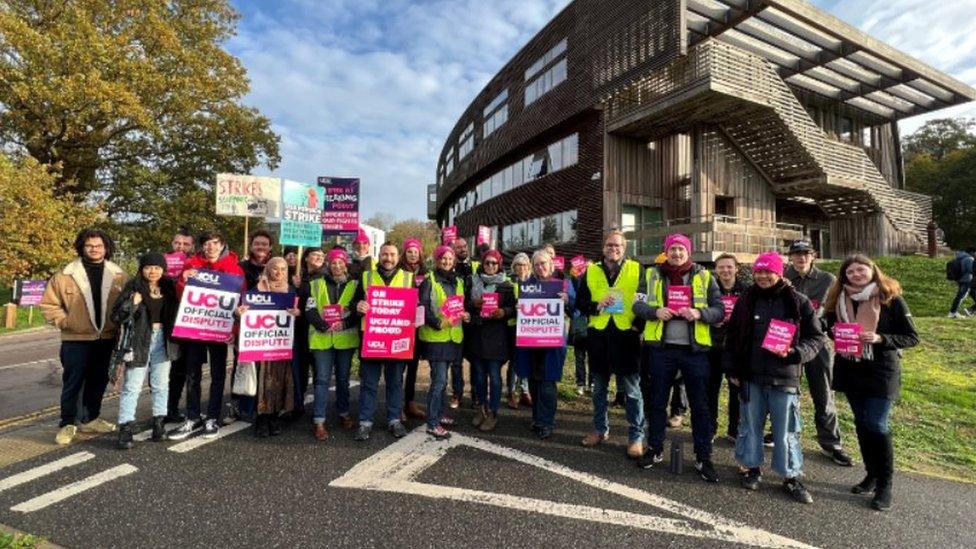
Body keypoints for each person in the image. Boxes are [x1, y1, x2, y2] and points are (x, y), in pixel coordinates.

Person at [723, 252, 825, 504]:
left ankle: (790, 476)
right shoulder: (746, 301)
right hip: (751, 376)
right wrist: (732, 371)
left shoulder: (798, 302)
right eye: (758, 271)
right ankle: (751, 468)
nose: (762, 276)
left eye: (768, 271)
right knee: (750, 426)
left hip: (784, 376)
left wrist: (795, 353)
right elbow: (733, 338)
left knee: (786, 430)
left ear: (779, 273)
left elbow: (816, 338)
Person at [824, 254, 918, 511]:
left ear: (872, 270)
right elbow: (828, 326)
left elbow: (911, 337)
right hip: (851, 369)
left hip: (881, 371)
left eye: (861, 270)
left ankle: (885, 484)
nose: (856, 274)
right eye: (850, 271)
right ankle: (871, 474)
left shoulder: (890, 298)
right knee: (861, 424)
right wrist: (832, 330)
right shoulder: (838, 300)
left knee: (876, 423)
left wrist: (880, 339)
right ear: (844, 276)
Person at [632, 234, 724, 483]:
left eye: (681, 249)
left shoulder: (705, 276)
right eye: (672, 249)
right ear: (666, 251)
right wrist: (654, 311)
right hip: (661, 349)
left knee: (700, 406)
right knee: (657, 401)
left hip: (694, 352)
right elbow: (637, 306)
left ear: (688, 252)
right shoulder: (651, 275)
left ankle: (703, 456)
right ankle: (655, 449)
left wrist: (699, 312)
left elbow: (719, 311)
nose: (676, 253)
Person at [41, 228, 128, 445]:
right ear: (82, 247)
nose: (94, 249)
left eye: (99, 246)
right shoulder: (64, 276)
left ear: (106, 247)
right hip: (75, 339)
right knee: (73, 383)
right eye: (90, 246)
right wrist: (66, 322)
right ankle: (67, 423)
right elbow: (49, 304)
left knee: (98, 381)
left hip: (106, 338)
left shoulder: (119, 275)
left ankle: (90, 419)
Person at [168, 230, 245, 440]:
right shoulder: (191, 265)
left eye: (215, 243)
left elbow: (240, 304)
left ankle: (212, 417)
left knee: (218, 376)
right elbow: (181, 296)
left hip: (219, 331)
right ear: (202, 246)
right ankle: (193, 417)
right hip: (194, 330)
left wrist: (234, 331)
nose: (210, 247)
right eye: (207, 243)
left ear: (222, 245)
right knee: (192, 375)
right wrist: (184, 280)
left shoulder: (234, 270)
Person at [576, 231, 645, 459]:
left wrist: (638, 327)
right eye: (609, 245)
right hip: (599, 337)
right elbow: (580, 302)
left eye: (617, 245)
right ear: (603, 247)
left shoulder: (637, 269)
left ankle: (636, 436)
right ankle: (600, 429)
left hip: (626, 337)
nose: (613, 248)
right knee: (599, 390)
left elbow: (647, 300)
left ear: (624, 248)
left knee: (633, 392)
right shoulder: (591, 270)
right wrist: (596, 305)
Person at [784, 239, 852, 466]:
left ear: (813, 256)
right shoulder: (783, 276)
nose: (801, 258)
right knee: (785, 390)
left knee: (823, 393)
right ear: (790, 257)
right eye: (796, 254)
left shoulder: (827, 279)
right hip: (789, 340)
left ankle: (830, 442)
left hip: (817, 342)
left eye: (805, 254)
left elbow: (834, 310)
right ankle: (780, 432)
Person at [112, 251, 181, 449]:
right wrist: (131, 304)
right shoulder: (133, 287)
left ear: (163, 270)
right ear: (142, 269)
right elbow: (116, 316)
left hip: (163, 340)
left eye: (157, 267)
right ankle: (125, 427)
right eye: (148, 267)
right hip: (139, 341)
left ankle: (159, 424)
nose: (153, 271)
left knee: (161, 384)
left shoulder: (168, 287)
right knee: (132, 385)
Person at [352, 242, 411, 441]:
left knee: (395, 382)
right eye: (385, 254)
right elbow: (354, 303)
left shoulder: (408, 278)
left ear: (398, 256)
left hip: (397, 339)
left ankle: (394, 420)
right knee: (369, 383)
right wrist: (358, 306)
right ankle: (365, 422)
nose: (388, 258)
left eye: (392, 255)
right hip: (372, 339)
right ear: (379, 255)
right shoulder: (366, 276)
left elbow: (417, 306)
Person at [513, 250, 574, 439]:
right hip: (531, 342)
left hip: (553, 342)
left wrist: (568, 300)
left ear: (551, 263)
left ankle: (546, 422)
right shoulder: (528, 285)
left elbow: (576, 310)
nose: (540, 267)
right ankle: (537, 419)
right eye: (537, 264)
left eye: (543, 263)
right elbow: (523, 312)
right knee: (533, 380)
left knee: (547, 383)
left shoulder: (563, 284)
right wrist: (519, 307)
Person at [238, 257, 300, 438]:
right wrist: (239, 313)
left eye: (282, 269)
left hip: (281, 346)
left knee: (280, 382)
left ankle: (274, 417)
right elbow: (244, 313)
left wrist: (298, 313)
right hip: (262, 347)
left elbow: (299, 317)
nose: (279, 273)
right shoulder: (256, 290)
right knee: (263, 382)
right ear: (268, 270)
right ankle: (261, 419)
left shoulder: (291, 291)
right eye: (275, 269)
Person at [306, 248, 360, 440]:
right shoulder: (315, 283)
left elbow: (358, 311)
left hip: (345, 338)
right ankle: (319, 420)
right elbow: (309, 309)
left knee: (343, 379)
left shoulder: (355, 284)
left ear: (346, 264)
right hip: (322, 338)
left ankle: (343, 413)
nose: (337, 265)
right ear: (328, 264)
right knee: (321, 379)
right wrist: (322, 326)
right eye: (333, 262)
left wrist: (344, 323)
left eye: (340, 262)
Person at [419, 245, 471, 439]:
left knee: (443, 381)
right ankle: (432, 423)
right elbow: (422, 309)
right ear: (437, 260)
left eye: (450, 259)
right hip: (435, 338)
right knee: (439, 381)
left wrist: (464, 315)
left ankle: (439, 414)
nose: (447, 262)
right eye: (443, 259)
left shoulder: (458, 281)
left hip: (453, 338)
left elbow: (458, 306)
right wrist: (439, 323)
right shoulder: (429, 281)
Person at [466, 249, 516, 431]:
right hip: (477, 334)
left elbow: (514, 308)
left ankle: (493, 412)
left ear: (499, 265)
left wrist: (504, 312)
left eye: (494, 263)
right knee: (478, 377)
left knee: (494, 377)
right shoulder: (472, 281)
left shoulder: (507, 285)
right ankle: (481, 409)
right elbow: (463, 303)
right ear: (482, 263)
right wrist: (473, 304)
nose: (490, 266)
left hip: (497, 337)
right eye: (487, 262)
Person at [707, 253, 747, 443]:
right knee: (711, 389)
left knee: (736, 390)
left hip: (736, 348)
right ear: (716, 269)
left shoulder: (747, 290)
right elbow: (702, 311)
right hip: (713, 345)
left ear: (736, 268)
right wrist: (710, 319)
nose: (725, 270)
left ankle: (734, 430)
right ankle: (710, 427)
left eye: (729, 267)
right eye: (721, 267)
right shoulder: (709, 288)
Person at [165, 228, 194, 425]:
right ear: (172, 243)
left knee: (181, 370)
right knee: (163, 370)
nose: (181, 247)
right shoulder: (160, 265)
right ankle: (162, 408)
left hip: (189, 328)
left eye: (186, 244)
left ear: (192, 247)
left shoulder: (197, 267)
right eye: (178, 243)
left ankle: (173, 408)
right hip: (166, 326)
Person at [293, 247, 326, 414]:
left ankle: (319, 410)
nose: (320, 257)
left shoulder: (325, 277)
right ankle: (298, 403)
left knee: (320, 373)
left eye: (322, 255)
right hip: (300, 332)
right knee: (300, 370)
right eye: (315, 254)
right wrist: (295, 285)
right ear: (305, 257)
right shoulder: (298, 276)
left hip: (318, 331)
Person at [399, 237, 428, 421]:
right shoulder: (398, 271)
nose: (412, 254)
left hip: (417, 326)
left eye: (415, 251)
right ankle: (397, 406)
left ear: (420, 253)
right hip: (401, 324)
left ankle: (410, 403)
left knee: (413, 368)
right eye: (409, 251)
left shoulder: (426, 272)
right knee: (398, 368)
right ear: (404, 253)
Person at [506, 253, 532, 409]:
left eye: (524, 264)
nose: (521, 268)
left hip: (529, 326)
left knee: (526, 359)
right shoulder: (508, 283)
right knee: (515, 361)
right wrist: (514, 306)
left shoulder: (534, 283)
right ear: (514, 267)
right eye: (518, 264)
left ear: (528, 266)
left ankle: (525, 390)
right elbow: (506, 303)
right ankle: (512, 392)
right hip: (513, 325)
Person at [568, 259, 589, 395]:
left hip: (592, 321)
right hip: (579, 320)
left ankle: (590, 383)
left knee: (592, 354)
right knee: (579, 355)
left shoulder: (594, 281)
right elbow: (570, 303)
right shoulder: (572, 282)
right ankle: (581, 383)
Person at [947, 246, 975, 318]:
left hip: (961, 279)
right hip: (966, 280)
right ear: (972, 252)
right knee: (960, 297)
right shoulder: (969, 259)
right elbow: (971, 270)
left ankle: (970, 310)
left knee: (962, 296)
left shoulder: (960, 257)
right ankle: (952, 313)